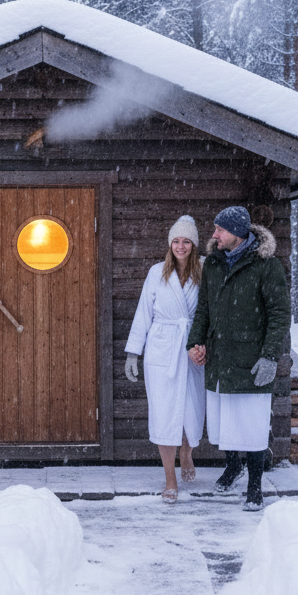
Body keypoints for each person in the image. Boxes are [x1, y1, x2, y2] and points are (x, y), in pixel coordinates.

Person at [186, 205, 289, 511]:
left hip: (251, 360)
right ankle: (233, 467)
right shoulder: (214, 263)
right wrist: (196, 341)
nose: (214, 234)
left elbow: (280, 315)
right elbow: (203, 308)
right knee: (224, 422)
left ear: (237, 233)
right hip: (219, 359)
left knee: (252, 426)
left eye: (220, 230)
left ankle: (255, 487)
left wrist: (270, 356)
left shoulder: (266, 265)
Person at [125, 215, 206, 504]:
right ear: (169, 244)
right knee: (163, 412)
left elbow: (210, 313)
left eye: (186, 241)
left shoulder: (205, 270)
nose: (181, 246)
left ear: (194, 244)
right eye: (176, 241)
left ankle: (187, 452)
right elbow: (143, 313)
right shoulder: (157, 272)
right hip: (162, 349)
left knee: (190, 408)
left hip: (192, 349)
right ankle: (169, 478)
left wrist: (204, 344)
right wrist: (134, 352)